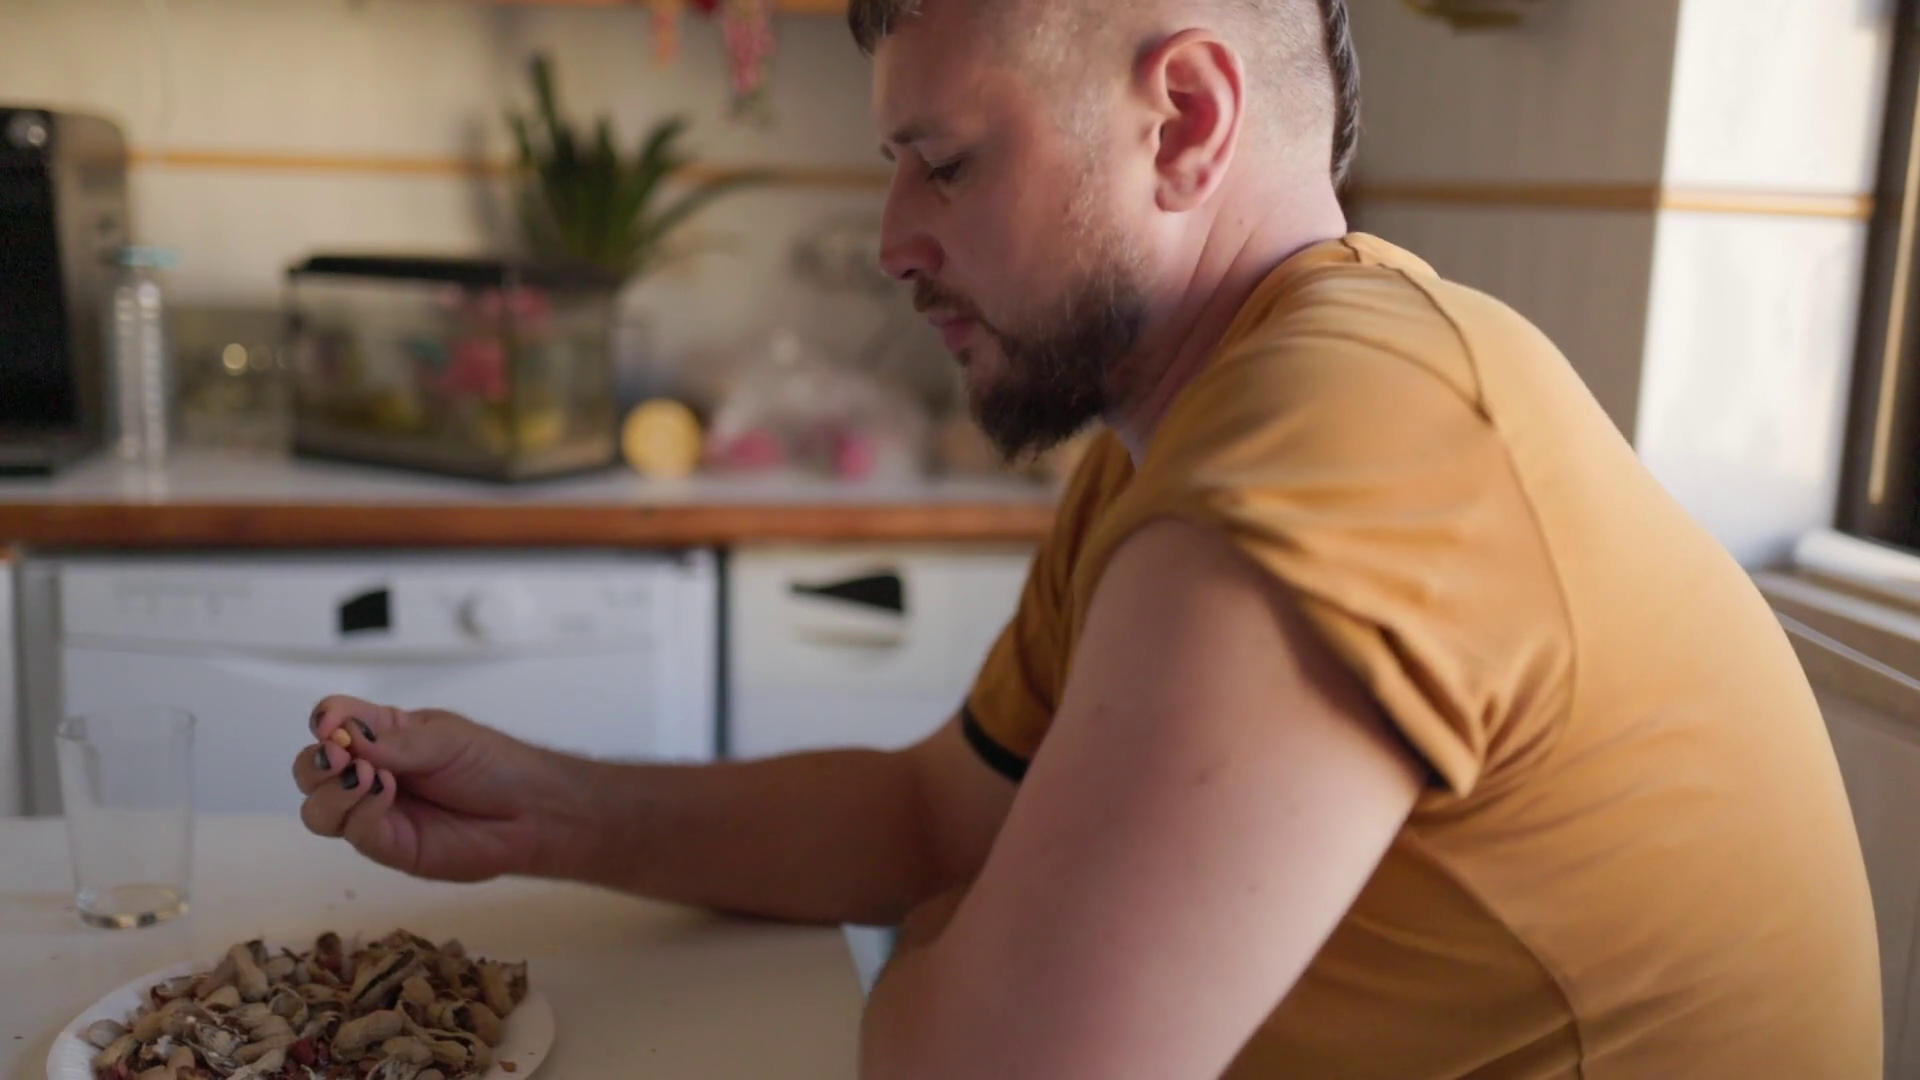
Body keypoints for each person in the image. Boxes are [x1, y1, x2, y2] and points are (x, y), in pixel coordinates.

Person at [292, 0, 1884, 1075]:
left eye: (946, 163)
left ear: (1184, 119)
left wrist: (960, 940)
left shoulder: (1351, 430)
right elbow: (937, 813)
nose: (892, 240)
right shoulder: (1183, 438)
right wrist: (544, 807)